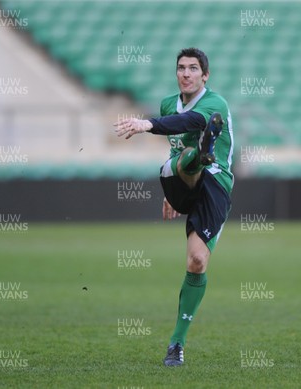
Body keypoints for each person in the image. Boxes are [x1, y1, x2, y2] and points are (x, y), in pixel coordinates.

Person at [114, 47, 234, 365]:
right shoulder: (169, 102)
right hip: (179, 175)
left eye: (193, 68)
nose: (186, 73)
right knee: (182, 157)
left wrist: (147, 124)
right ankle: (197, 156)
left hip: (215, 185)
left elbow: (189, 119)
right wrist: (173, 191)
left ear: (205, 75)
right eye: (181, 68)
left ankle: (176, 344)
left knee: (196, 261)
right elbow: (175, 134)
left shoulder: (215, 103)